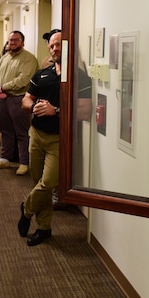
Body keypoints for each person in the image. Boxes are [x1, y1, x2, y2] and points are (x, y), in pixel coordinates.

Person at [17, 30, 92, 246]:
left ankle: (26, 210)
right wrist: (34, 107)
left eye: (58, 45)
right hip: (36, 135)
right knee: (39, 183)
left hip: (59, 140)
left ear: (68, 47)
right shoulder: (42, 74)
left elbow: (85, 112)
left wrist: (55, 111)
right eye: (51, 46)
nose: (54, 49)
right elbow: (25, 100)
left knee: (48, 183)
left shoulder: (80, 76)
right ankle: (44, 228)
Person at [0, 31, 39, 175]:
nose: (13, 43)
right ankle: (4, 159)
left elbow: (23, 80)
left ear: (23, 42)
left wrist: (3, 87)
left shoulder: (29, 59)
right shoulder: (4, 57)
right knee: (5, 131)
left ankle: (24, 163)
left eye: (16, 40)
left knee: (21, 133)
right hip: (2, 100)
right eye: (11, 40)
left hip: (18, 99)